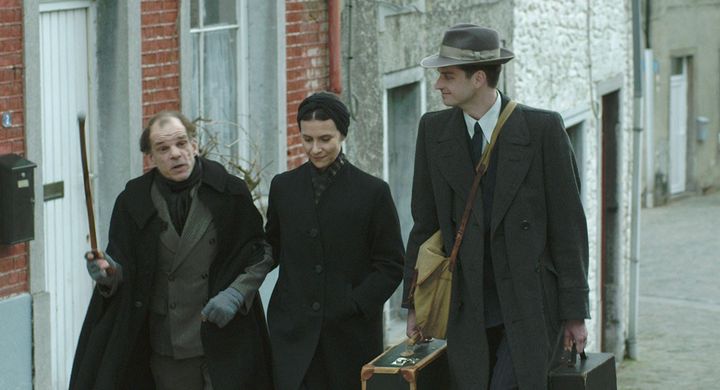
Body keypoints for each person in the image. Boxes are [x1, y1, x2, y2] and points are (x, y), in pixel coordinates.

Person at [402, 24, 590, 389]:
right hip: (466, 305)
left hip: (530, 303)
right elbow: (424, 224)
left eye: (448, 75)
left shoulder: (543, 130)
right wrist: (415, 303)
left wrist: (575, 313)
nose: (439, 84)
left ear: (478, 78)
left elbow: (568, 228)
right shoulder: (433, 130)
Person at [70, 111, 274, 390]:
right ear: (150, 158)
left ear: (194, 145)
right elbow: (123, 268)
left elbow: (260, 252)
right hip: (169, 346)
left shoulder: (229, 192)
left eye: (181, 143)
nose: (175, 154)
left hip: (227, 336)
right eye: (163, 149)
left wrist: (236, 293)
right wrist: (109, 273)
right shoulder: (133, 201)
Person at [265, 92, 405, 390]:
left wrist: (353, 303)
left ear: (342, 135)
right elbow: (270, 249)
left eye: (325, 139)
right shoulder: (283, 187)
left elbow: (391, 264)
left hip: (349, 338)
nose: (315, 149)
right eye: (307, 139)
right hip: (292, 335)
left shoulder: (372, 192)